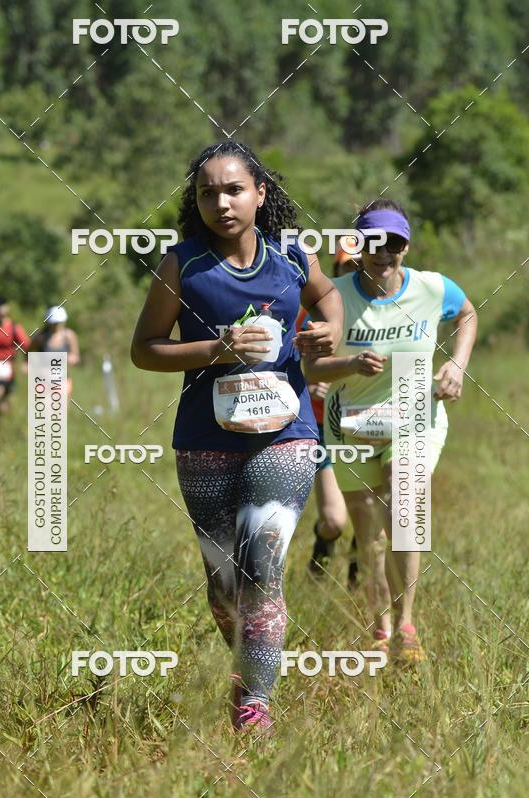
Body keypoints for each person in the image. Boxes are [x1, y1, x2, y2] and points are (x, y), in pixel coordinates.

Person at [131, 140, 343, 732]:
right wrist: (216, 350)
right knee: (225, 591)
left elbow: (326, 297)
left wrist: (326, 334)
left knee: (261, 567)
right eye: (207, 193)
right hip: (205, 439)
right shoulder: (182, 265)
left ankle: (255, 709)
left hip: (287, 435)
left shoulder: (294, 254)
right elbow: (143, 351)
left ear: (260, 193)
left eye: (233, 189)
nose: (221, 202)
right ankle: (249, 663)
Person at [305, 200, 477, 664]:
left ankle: (407, 625)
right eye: (372, 243)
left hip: (414, 408)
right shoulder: (331, 296)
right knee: (369, 532)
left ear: (407, 244)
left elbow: (467, 314)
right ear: (356, 245)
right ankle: (379, 627)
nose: (384, 253)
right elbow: (308, 362)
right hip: (351, 415)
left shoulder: (432, 287)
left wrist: (456, 365)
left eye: (394, 243)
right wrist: (341, 366)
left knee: (405, 508)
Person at [298, 245, 360, 584]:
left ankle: (359, 582)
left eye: (358, 265)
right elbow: (293, 367)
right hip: (325, 426)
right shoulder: (314, 311)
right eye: (345, 266)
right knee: (334, 520)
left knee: (375, 519)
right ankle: (322, 549)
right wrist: (310, 385)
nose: (353, 272)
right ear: (335, 270)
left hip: (372, 425)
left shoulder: (390, 311)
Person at [31, 306, 80, 396]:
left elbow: (76, 357)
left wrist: (69, 359)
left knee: (61, 407)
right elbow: (29, 352)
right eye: (54, 323)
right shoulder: (40, 338)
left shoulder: (69, 336)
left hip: (63, 380)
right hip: (44, 380)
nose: (56, 326)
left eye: (58, 323)